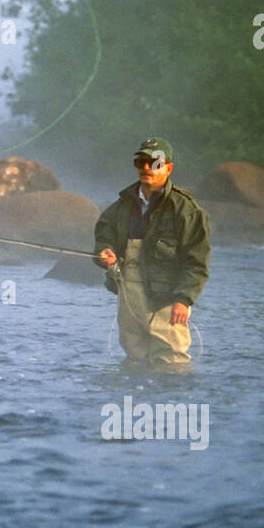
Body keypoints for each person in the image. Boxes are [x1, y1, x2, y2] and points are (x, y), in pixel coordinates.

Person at [93, 137, 210, 370]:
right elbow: (103, 238)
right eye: (141, 161)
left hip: (167, 299)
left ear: (168, 168)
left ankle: (172, 405)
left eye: (154, 162)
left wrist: (183, 299)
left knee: (171, 364)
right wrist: (105, 253)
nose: (146, 167)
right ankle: (134, 403)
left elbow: (196, 261)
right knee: (134, 360)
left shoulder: (186, 210)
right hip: (128, 295)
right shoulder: (121, 206)